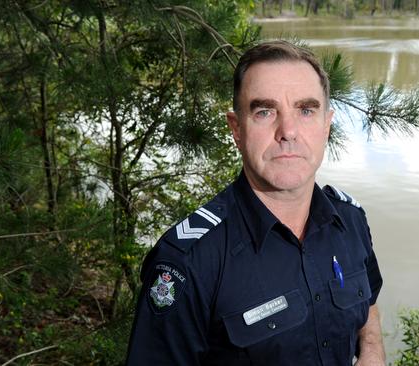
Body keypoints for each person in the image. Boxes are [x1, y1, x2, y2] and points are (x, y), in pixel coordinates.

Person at [126, 40, 385, 366]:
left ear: (326, 125)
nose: (288, 131)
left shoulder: (351, 221)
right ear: (237, 129)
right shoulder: (188, 263)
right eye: (265, 111)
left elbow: (369, 299)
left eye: (306, 110)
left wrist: (373, 350)